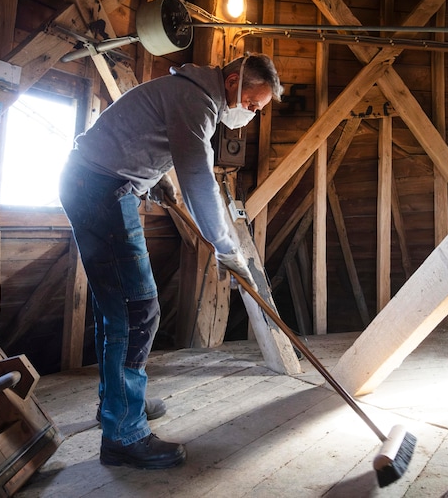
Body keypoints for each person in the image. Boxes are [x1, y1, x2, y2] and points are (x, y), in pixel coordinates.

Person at [58, 53, 282, 469]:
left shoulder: (187, 92)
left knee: (117, 309)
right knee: (136, 310)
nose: (250, 114)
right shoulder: (195, 101)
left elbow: (137, 134)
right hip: (102, 190)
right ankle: (124, 435)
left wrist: (155, 177)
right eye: (252, 104)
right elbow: (198, 178)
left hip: (94, 182)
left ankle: (117, 404)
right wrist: (226, 248)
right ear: (233, 81)